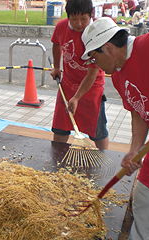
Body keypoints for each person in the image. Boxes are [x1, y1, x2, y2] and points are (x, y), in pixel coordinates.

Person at [81, 17, 149, 240]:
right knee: (143, 205)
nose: (95, 64)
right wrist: (135, 149)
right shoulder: (118, 75)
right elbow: (139, 112)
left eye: (95, 57)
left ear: (108, 47)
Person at [50, 0, 109, 150]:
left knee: (97, 132)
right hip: (68, 84)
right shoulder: (61, 26)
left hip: (91, 88)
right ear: (68, 16)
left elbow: (92, 73)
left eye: (84, 19)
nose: (79, 24)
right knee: (61, 126)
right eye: (74, 19)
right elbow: (57, 44)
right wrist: (57, 67)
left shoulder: (96, 34)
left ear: (91, 15)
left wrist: (77, 97)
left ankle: (103, 158)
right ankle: (57, 158)